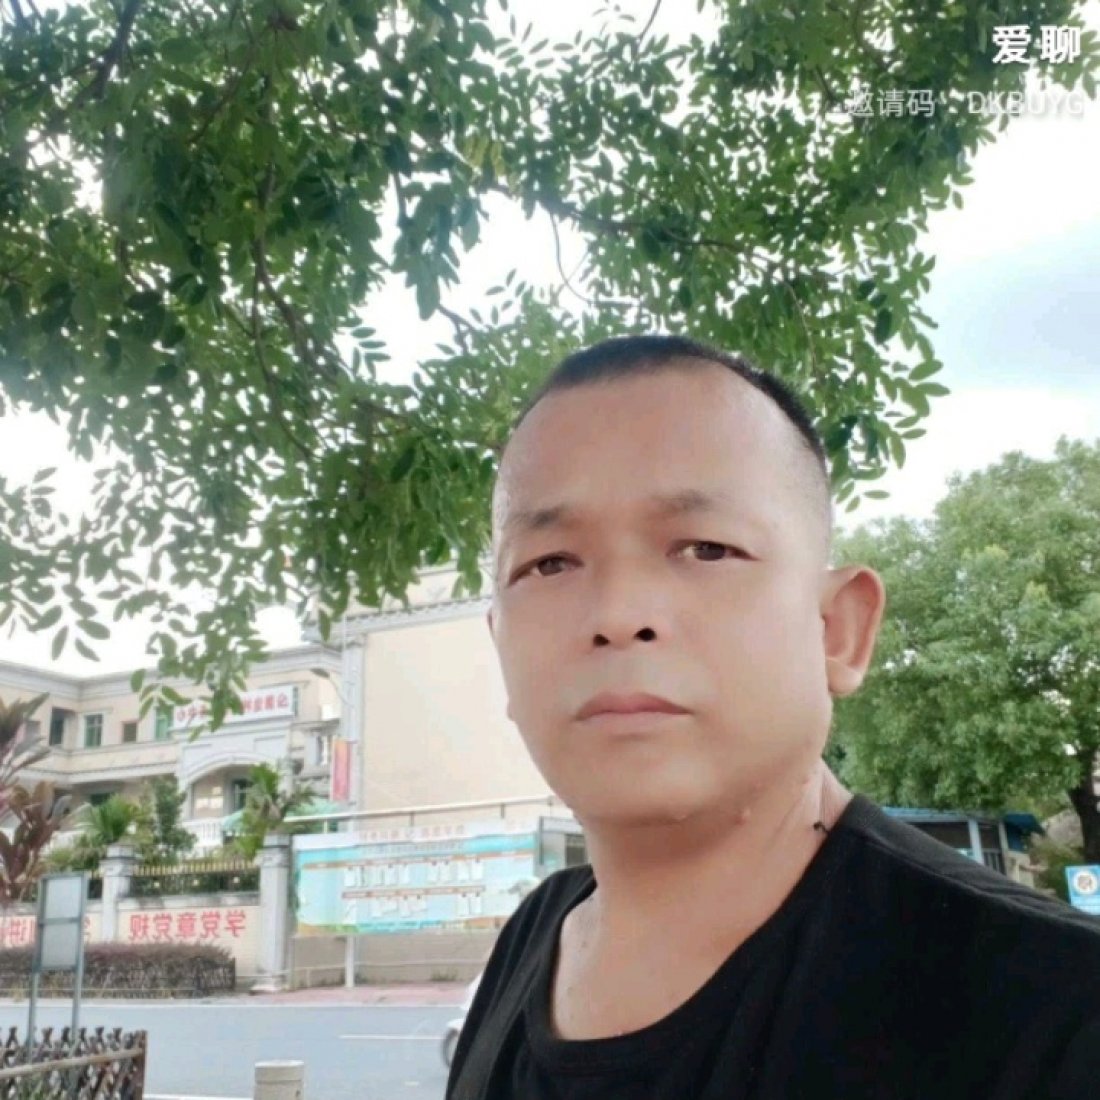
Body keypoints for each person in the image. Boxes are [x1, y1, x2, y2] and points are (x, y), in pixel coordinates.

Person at [446, 334, 1100, 1100]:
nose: (618, 615)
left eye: (705, 548)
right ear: (500, 644)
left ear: (837, 630)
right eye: (550, 563)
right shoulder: (530, 941)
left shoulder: (1057, 1011)